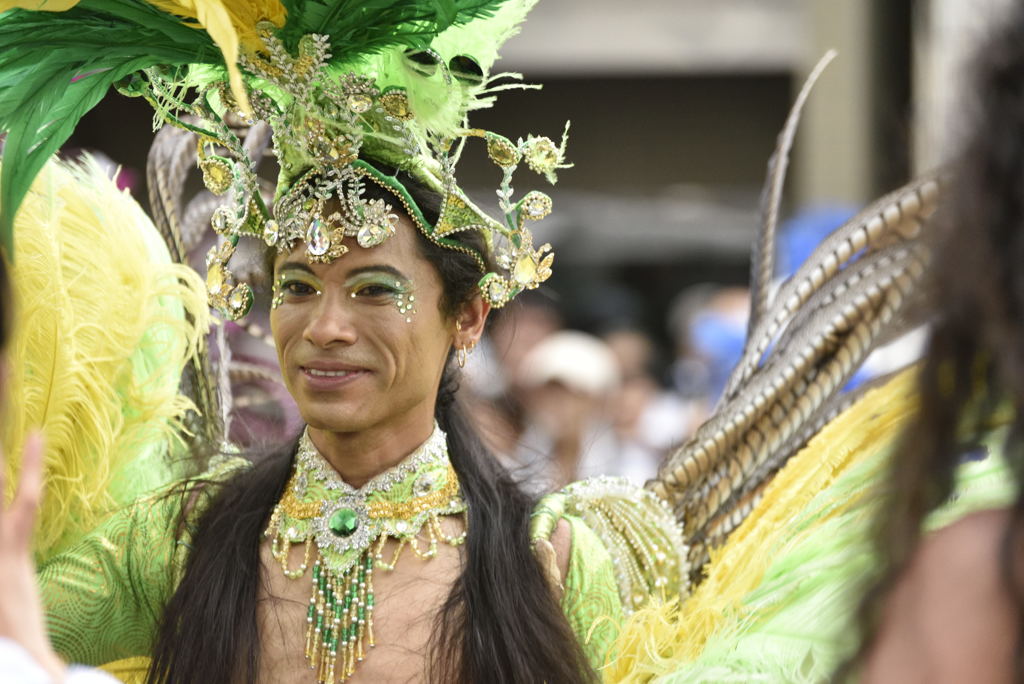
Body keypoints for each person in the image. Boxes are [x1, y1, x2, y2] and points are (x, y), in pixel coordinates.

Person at [0, 2, 686, 683]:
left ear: (468, 316)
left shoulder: (549, 560)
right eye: (297, 287)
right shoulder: (177, 540)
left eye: (374, 290)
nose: (325, 327)